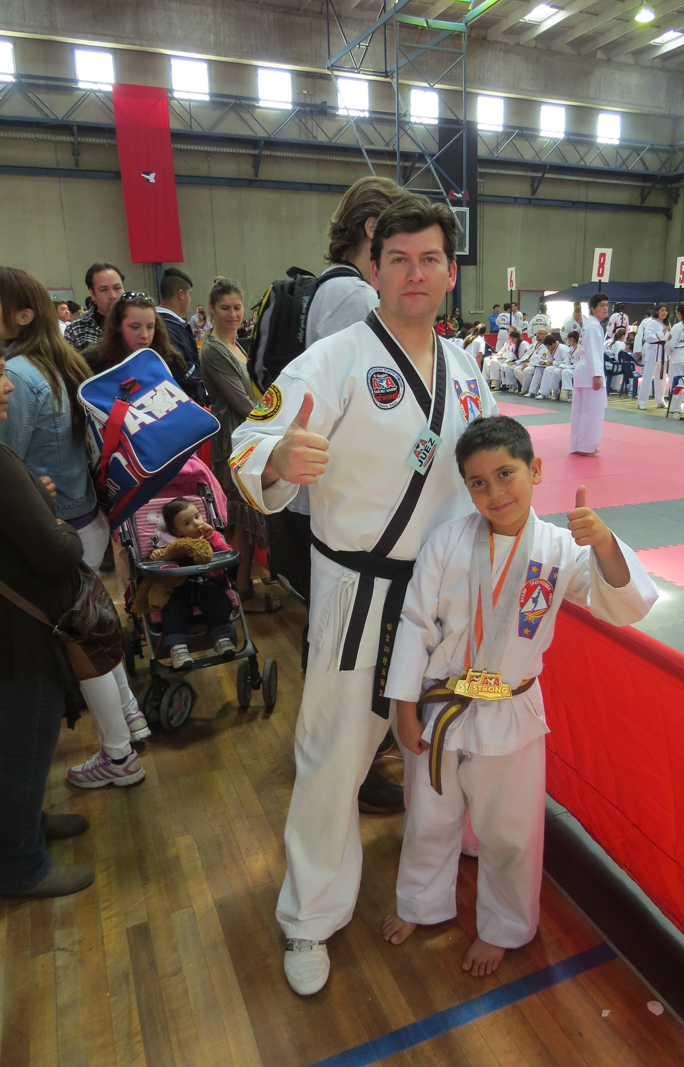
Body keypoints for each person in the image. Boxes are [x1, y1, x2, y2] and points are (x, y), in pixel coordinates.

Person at [228, 193, 497, 996]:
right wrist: (278, 460)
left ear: (450, 273)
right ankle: (310, 916)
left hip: (444, 594)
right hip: (361, 592)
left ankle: (431, 876)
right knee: (334, 756)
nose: (415, 273)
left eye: (430, 259)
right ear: (372, 269)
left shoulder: (467, 367)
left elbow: (495, 465)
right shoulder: (335, 358)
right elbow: (250, 438)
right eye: (398, 259)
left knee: (442, 741)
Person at [381, 415, 657, 975]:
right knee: (429, 814)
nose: (494, 492)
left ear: (535, 470)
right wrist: (403, 709)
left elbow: (623, 604)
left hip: (511, 710)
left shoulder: (559, 549)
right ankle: (419, 902)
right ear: (466, 488)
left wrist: (604, 543)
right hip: (441, 705)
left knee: (510, 831)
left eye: (506, 474)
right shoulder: (447, 541)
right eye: (478, 482)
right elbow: (414, 626)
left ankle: (505, 925)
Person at [272, 174, 406, 816]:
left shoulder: (316, 288)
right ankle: (353, 758)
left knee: (332, 635)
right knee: (351, 643)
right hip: (338, 498)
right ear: (375, 231)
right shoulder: (354, 298)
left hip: (313, 490)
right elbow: (380, 402)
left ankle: (334, 747)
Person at [0, 267, 149, 789]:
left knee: (82, 648)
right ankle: (130, 718)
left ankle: (120, 755)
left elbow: (8, 464)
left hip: (56, 530)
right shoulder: (60, 360)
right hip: (83, 517)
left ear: (22, 314)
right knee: (96, 635)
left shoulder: (19, 375)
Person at [0, 351, 97, 898]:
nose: (8, 387)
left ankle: (27, 827)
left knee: (18, 745)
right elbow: (56, 552)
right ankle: (22, 863)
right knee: (25, 747)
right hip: (21, 634)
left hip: (16, 626)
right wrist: (60, 525)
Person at [201, 279, 282, 613]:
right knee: (241, 521)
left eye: (237, 307)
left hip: (248, 437)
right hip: (233, 442)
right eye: (225, 308)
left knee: (244, 522)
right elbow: (244, 402)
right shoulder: (213, 349)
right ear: (211, 310)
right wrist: (277, 419)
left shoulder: (235, 344)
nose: (233, 314)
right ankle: (240, 593)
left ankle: (240, 589)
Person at [148, 496, 236, 668]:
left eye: (197, 516)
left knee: (220, 601)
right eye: (187, 523)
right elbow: (162, 560)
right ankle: (178, 647)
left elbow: (226, 552)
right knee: (172, 608)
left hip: (207, 584)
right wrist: (157, 555)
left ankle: (222, 638)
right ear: (177, 531)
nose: (196, 523)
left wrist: (212, 536)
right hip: (179, 588)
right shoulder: (171, 545)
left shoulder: (210, 538)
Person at [82, 292, 190, 395]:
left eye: (150, 327)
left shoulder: (169, 361)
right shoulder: (94, 362)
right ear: (118, 326)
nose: (144, 335)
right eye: (135, 327)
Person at [156, 267, 206, 404]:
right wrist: (202, 362)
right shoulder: (168, 326)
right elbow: (183, 371)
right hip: (183, 402)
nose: (190, 300)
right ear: (181, 294)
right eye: (189, 294)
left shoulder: (158, 321)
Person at [570, 292, 607, 456]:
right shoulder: (593, 326)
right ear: (592, 308)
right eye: (601, 305)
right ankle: (586, 446)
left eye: (607, 305)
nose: (605, 308)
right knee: (591, 412)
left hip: (583, 371)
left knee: (580, 412)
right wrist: (597, 375)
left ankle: (578, 445)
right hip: (590, 373)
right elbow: (593, 352)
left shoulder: (589, 325)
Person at [64, 262, 125, 352]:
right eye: (104, 290)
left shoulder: (138, 321)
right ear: (92, 293)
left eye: (117, 288)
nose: (113, 296)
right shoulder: (76, 330)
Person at [638, 302, 670, 409]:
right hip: (653, 351)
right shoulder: (651, 323)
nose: (664, 313)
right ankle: (642, 402)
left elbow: (669, 338)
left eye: (666, 310)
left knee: (662, 378)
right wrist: (662, 333)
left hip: (663, 352)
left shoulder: (666, 323)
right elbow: (648, 337)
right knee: (647, 378)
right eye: (662, 310)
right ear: (657, 311)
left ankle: (660, 400)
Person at [535, 334, 572, 400]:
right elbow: (549, 359)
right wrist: (545, 362)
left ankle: (552, 392)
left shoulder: (563, 349)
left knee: (550, 370)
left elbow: (567, 361)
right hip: (556, 366)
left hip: (565, 366)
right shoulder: (551, 348)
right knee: (546, 369)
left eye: (548, 347)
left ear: (553, 344)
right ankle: (544, 393)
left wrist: (553, 363)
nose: (547, 348)